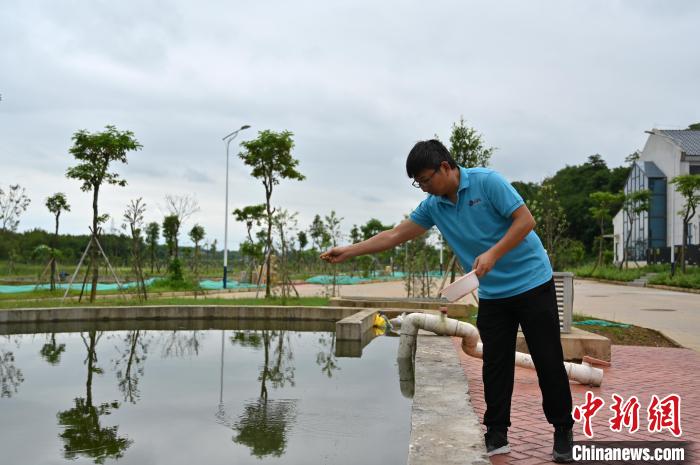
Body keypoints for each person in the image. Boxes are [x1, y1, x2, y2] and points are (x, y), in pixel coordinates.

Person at [320, 139, 574, 463]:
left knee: (547, 359)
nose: (425, 188)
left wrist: (494, 253)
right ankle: (497, 433)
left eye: (426, 180)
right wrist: (349, 250)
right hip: (494, 294)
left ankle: (562, 430)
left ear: (444, 167)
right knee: (495, 365)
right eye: (419, 184)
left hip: (532, 284)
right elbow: (394, 235)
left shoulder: (487, 182)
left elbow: (526, 221)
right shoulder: (434, 206)